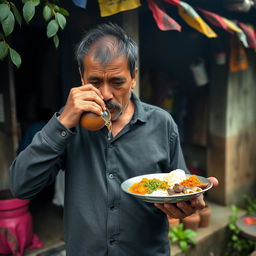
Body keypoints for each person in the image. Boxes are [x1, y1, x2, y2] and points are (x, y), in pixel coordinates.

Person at [9, 23, 218, 256]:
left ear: (134, 77)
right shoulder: (68, 127)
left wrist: (185, 205)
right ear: (81, 77)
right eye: (95, 82)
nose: (106, 94)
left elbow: (178, 185)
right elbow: (21, 186)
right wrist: (62, 123)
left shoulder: (162, 124)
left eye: (117, 82)